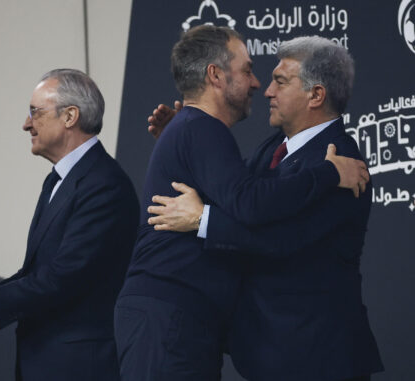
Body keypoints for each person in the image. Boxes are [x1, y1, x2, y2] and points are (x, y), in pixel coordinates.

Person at [113, 26, 370, 381]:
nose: (264, 89)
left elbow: (282, 239)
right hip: (254, 347)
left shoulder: (342, 162)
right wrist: (187, 144)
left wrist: (203, 218)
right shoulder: (269, 148)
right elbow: (242, 196)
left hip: (317, 355)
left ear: (316, 94)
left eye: (280, 81)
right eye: (254, 73)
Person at [0, 69, 139, 380]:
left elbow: (64, 276)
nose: (26, 124)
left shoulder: (105, 185)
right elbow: (39, 270)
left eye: (35, 112)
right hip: (47, 359)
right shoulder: (58, 181)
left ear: (70, 116)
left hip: (78, 366)